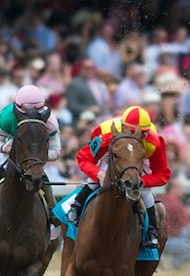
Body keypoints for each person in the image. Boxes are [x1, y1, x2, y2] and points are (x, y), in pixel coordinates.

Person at [67, 106, 171, 249]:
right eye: (132, 132)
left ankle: (151, 232)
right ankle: (75, 208)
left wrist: (142, 182)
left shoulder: (154, 143)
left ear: (146, 133)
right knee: (102, 173)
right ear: (122, 128)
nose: (135, 138)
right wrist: (99, 174)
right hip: (114, 153)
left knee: (145, 192)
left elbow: (163, 175)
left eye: (141, 135)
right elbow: (83, 158)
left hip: (139, 161)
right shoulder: (106, 136)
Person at [0, 85, 61, 237]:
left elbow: (56, 151)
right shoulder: (6, 117)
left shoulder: (50, 122)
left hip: (35, 159)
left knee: (41, 177)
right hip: (13, 152)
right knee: (1, 171)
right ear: (17, 110)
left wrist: (35, 158)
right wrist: (9, 150)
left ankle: (53, 212)